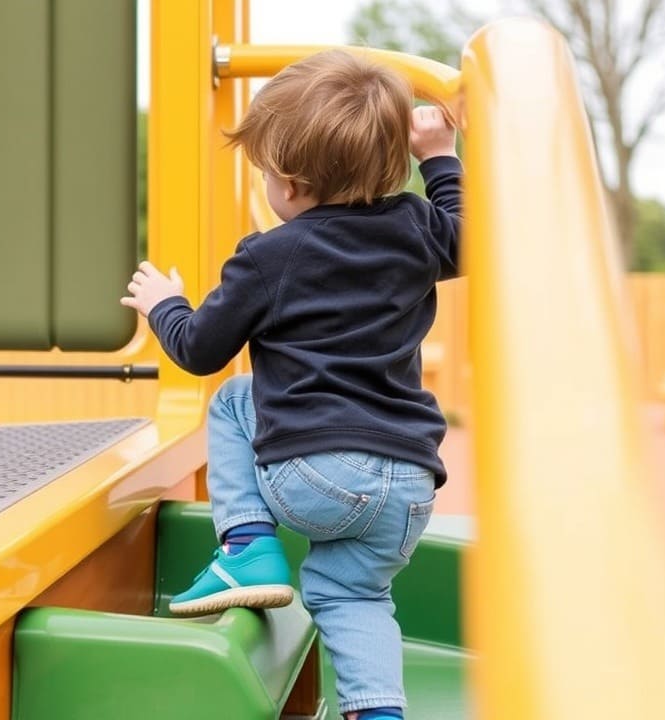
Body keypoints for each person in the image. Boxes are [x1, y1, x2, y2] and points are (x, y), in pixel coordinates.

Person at [120, 49, 462, 720]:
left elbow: (199, 350)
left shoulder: (268, 257)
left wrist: (165, 305)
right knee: (354, 596)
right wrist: (440, 158)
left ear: (292, 186)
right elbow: (468, 238)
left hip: (316, 474)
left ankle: (247, 546)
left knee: (233, 401)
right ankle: (377, 710)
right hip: (410, 485)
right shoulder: (416, 227)